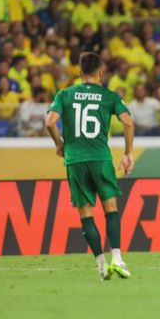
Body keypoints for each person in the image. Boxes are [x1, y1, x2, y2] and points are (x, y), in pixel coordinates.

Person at [45, 52, 135, 280]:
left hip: (74, 160)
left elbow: (50, 122)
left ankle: (101, 265)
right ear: (101, 72)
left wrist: (59, 144)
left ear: (80, 72)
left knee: (86, 214)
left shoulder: (65, 94)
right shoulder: (110, 96)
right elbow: (128, 122)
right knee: (110, 209)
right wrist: (128, 153)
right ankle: (117, 259)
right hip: (100, 159)